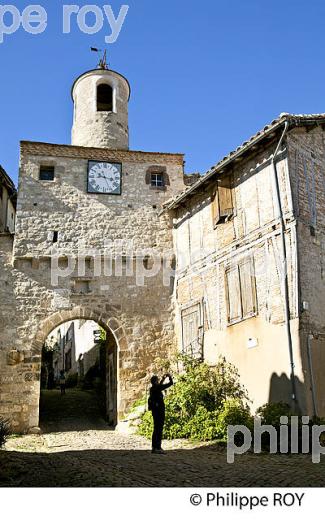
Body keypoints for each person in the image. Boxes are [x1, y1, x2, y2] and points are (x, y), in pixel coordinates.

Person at [149, 373, 173, 454]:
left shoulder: (152, 389)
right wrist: (169, 377)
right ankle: (157, 447)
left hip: (155, 411)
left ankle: (154, 447)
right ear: (155, 381)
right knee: (159, 429)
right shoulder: (157, 388)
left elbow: (159, 386)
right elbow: (170, 384)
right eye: (157, 380)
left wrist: (162, 379)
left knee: (156, 428)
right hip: (159, 411)